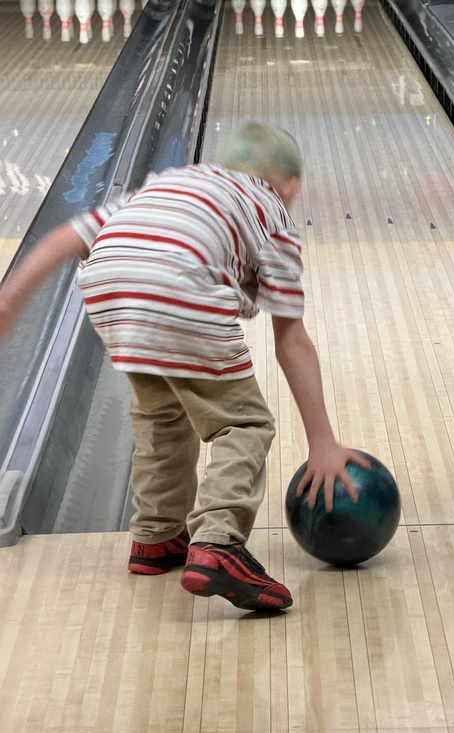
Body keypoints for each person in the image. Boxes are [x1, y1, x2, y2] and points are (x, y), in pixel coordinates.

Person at [0, 122, 368, 612]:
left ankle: (156, 537)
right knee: (244, 423)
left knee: (162, 416)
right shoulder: (273, 212)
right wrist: (322, 441)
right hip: (182, 286)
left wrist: (10, 300)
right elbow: (291, 341)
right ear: (290, 186)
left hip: (110, 285)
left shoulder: (167, 183)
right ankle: (218, 544)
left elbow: (62, 239)